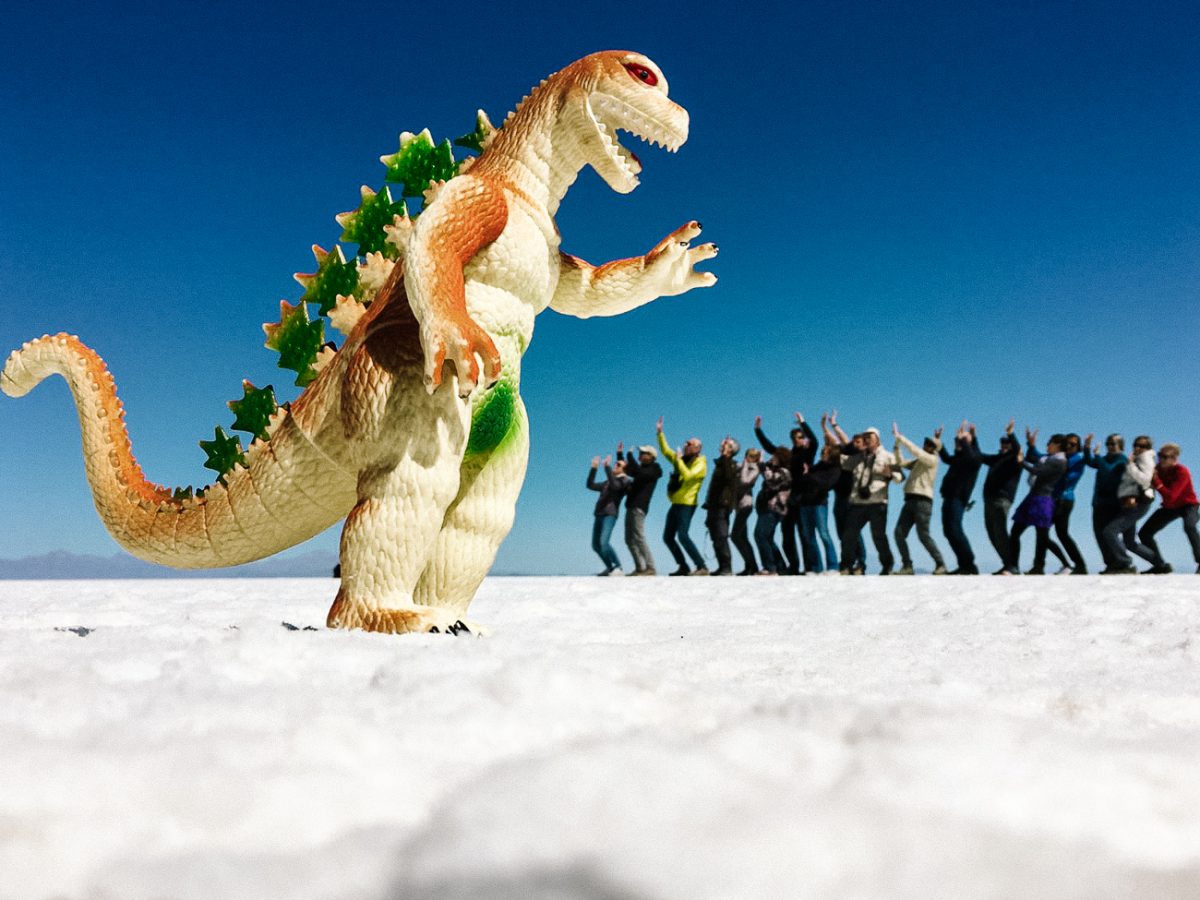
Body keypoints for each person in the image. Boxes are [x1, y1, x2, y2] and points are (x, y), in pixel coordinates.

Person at [754, 413, 819, 574]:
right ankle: (793, 567)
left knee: (804, 535)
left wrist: (803, 423)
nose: (801, 439)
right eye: (797, 437)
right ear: (793, 439)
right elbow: (770, 447)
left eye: (802, 437)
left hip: (803, 499)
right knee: (787, 536)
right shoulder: (788, 456)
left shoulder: (808, 453)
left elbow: (815, 441)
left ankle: (809, 567)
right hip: (788, 500)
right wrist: (758, 430)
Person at [1000, 430, 1069, 575]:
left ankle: (1064, 564)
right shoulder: (1050, 458)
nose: (1047, 445)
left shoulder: (1059, 461)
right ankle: (1014, 566)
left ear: (1057, 445)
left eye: (1050, 443)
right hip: (1033, 498)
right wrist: (1029, 443)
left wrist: (1021, 462)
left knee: (1042, 536)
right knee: (1017, 532)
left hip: (1042, 500)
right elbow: (1033, 457)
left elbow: (1037, 470)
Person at [837, 426, 901, 575]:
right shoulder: (859, 457)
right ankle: (846, 566)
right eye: (865, 438)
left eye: (870, 438)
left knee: (878, 536)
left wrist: (890, 474)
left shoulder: (887, 456)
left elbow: (900, 477)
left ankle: (887, 565)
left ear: (877, 440)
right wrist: (833, 450)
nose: (867, 441)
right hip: (858, 503)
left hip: (877, 502)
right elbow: (844, 462)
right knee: (848, 535)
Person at [1028, 432, 1088, 574]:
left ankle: (1079, 565)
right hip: (1053, 499)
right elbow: (1038, 456)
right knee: (1042, 532)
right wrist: (1030, 445)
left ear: (1078, 446)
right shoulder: (1060, 458)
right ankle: (1039, 566)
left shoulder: (1077, 459)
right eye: (1066, 443)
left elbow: (1065, 470)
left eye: (1073, 444)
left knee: (1061, 533)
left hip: (1064, 500)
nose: (1069, 446)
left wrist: (1087, 448)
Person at [892, 423, 948, 575]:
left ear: (935, 449)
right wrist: (897, 446)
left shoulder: (932, 460)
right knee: (899, 533)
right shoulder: (919, 461)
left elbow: (916, 451)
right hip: (909, 500)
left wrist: (900, 438)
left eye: (930, 445)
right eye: (926, 443)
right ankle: (907, 566)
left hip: (923, 502)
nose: (926, 446)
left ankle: (940, 564)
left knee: (923, 535)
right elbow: (901, 463)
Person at [657, 417, 709, 576]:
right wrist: (660, 433)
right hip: (675, 503)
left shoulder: (701, 463)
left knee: (683, 535)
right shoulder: (682, 460)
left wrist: (678, 461)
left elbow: (688, 477)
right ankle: (683, 566)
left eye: (689, 444)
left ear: (698, 448)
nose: (686, 445)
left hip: (687, 504)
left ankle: (701, 566)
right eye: (686, 443)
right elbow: (666, 451)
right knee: (667, 537)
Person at [1138, 442, 1200, 574]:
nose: (1161, 459)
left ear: (1174, 459)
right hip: (1170, 507)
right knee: (1144, 533)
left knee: (1190, 526)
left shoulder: (1182, 471)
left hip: (1188, 505)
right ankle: (1159, 565)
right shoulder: (1157, 469)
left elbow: (1171, 496)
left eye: (1165, 457)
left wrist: (1156, 481)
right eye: (1160, 456)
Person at [1100, 435, 1157, 574]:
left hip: (1137, 503)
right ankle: (1159, 562)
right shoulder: (1139, 458)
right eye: (1136, 445)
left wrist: (1130, 465)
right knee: (1130, 542)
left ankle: (1124, 563)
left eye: (1142, 446)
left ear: (1148, 448)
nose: (1138, 448)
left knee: (1110, 531)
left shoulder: (1145, 459)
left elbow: (1145, 480)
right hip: (1130, 503)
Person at [823, 411, 866, 573]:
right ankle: (848, 561)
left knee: (853, 530)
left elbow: (841, 438)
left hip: (852, 497)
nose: (855, 443)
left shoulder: (858, 454)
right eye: (855, 441)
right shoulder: (843, 453)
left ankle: (860, 562)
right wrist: (825, 428)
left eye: (859, 441)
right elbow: (833, 442)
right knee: (842, 531)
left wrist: (834, 425)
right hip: (839, 496)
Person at [978, 419, 1023, 572]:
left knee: (1000, 532)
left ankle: (1011, 566)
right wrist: (972, 438)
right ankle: (1007, 563)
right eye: (1002, 443)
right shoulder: (997, 459)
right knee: (992, 533)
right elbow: (980, 456)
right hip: (989, 499)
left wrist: (1011, 434)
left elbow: (1017, 449)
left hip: (1002, 499)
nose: (1004, 445)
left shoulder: (1015, 460)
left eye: (1007, 443)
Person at [939, 422, 983, 574]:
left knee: (955, 530)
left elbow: (972, 455)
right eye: (956, 441)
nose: (957, 443)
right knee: (949, 531)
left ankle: (969, 564)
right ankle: (964, 565)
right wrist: (939, 442)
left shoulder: (974, 459)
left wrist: (966, 439)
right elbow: (945, 458)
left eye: (961, 441)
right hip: (949, 497)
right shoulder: (959, 459)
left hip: (958, 499)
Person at [1083, 433, 1127, 572]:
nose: (1109, 446)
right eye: (1108, 443)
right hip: (1098, 503)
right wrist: (1087, 447)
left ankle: (1122, 562)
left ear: (1120, 445)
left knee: (1110, 533)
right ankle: (1110, 563)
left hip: (1114, 504)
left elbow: (1107, 469)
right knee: (1099, 535)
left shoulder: (1122, 460)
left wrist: (1097, 457)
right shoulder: (1104, 459)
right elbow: (1089, 462)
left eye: (1113, 443)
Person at [794, 442, 841, 573]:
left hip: (819, 504)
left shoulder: (834, 469)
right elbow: (804, 481)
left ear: (832, 454)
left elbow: (826, 484)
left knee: (824, 534)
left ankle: (833, 566)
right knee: (809, 537)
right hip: (805, 504)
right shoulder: (816, 467)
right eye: (822, 452)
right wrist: (808, 476)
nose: (822, 454)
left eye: (825, 452)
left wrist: (809, 476)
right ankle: (816, 567)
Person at [619, 441, 663, 576]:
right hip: (631, 506)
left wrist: (630, 455)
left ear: (651, 456)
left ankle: (651, 568)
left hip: (639, 506)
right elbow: (628, 469)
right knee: (628, 539)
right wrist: (620, 455)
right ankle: (640, 568)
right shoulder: (642, 469)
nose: (640, 454)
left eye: (643, 453)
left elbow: (637, 471)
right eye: (640, 452)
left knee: (639, 537)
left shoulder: (654, 469)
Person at [586, 455, 631, 575]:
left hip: (610, 515)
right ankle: (610, 568)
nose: (615, 465)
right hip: (599, 514)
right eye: (615, 463)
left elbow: (616, 487)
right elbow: (590, 485)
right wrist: (594, 468)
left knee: (603, 542)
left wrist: (607, 467)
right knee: (596, 545)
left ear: (624, 469)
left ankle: (618, 567)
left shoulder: (625, 480)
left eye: (618, 465)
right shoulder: (607, 481)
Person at [703, 437, 740, 575]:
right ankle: (721, 566)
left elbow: (728, 477)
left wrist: (725, 456)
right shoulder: (721, 464)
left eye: (727, 444)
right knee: (715, 537)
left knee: (721, 536)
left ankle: (727, 567)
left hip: (722, 506)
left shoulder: (731, 464)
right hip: (713, 505)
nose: (723, 444)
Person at [753, 448, 792, 575]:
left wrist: (762, 464)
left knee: (760, 535)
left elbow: (772, 481)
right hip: (768, 508)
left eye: (774, 457)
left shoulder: (784, 472)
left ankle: (770, 567)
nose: (772, 459)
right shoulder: (776, 470)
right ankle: (780, 566)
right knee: (767, 538)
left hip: (773, 508)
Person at [731, 447, 762, 575]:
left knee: (735, 536)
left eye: (753, 456)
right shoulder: (741, 466)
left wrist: (744, 466)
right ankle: (750, 566)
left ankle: (752, 565)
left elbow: (745, 481)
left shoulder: (754, 468)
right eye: (748, 455)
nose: (749, 457)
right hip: (739, 506)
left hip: (746, 505)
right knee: (742, 537)